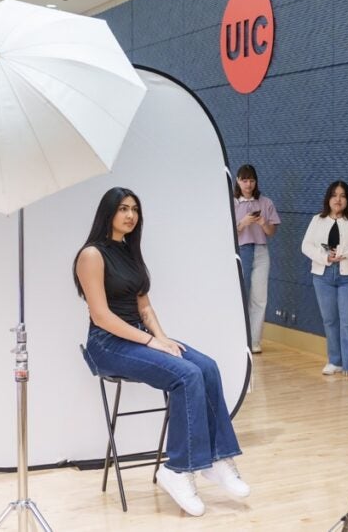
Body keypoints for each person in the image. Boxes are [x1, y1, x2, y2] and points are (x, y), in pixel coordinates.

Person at [75, 187, 249, 517]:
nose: (130, 215)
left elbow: (144, 306)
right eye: (123, 208)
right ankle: (177, 469)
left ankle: (215, 459)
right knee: (186, 375)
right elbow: (100, 315)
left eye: (135, 210)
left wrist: (163, 338)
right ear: (108, 212)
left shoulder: (129, 251)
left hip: (138, 337)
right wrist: (150, 343)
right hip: (107, 345)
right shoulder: (92, 255)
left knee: (207, 366)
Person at [301, 181, 348, 381]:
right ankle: (335, 360)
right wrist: (325, 258)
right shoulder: (318, 219)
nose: (338, 199)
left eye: (342, 195)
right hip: (322, 276)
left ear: (347, 199)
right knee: (330, 319)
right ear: (328, 198)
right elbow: (305, 246)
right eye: (334, 195)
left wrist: (343, 253)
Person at [233, 164, 280, 353]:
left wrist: (263, 222)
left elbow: (271, 232)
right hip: (238, 251)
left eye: (252, 180)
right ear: (237, 180)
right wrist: (242, 224)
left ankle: (254, 341)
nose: (248, 184)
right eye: (244, 180)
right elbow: (226, 232)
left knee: (259, 297)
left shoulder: (265, 202)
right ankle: (237, 337)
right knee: (238, 296)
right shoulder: (231, 202)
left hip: (260, 251)